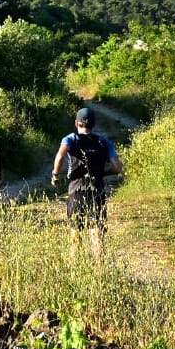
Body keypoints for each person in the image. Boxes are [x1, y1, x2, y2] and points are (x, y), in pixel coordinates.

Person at [51, 106, 123, 254]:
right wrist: (103, 174)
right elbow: (118, 167)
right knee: (97, 232)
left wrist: (55, 175)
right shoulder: (103, 141)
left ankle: (74, 270)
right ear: (94, 124)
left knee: (75, 234)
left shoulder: (70, 139)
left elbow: (60, 157)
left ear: (77, 123)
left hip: (76, 191)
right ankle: (99, 270)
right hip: (97, 191)